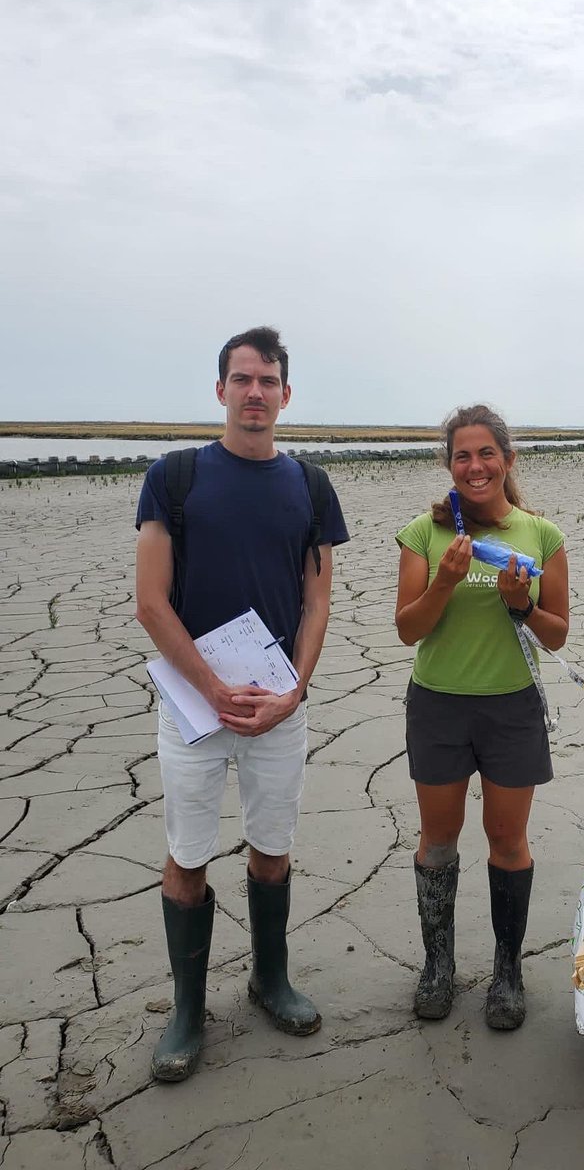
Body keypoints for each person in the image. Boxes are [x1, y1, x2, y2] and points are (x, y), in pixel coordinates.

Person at [135, 326, 349, 1081]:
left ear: (285, 395)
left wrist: (294, 690)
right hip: (194, 707)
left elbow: (317, 600)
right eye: (241, 379)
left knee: (272, 845)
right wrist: (211, 687)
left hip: (276, 709)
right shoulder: (176, 476)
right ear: (220, 390)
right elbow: (151, 603)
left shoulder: (311, 486)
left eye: (268, 381)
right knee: (188, 853)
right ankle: (188, 1012)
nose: (254, 393)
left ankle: (271, 979)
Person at [394, 404, 569, 1030]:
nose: (475, 466)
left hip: (511, 707)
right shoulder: (424, 533)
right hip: (438, 704)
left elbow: (558, 637)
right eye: (462, 456)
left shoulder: (540, 536)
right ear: (450, 465)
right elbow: (407, 629)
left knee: (507, 840)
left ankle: (507, 972)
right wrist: (444, 581)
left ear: (507, 460)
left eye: (486, 454)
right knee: (438, 840)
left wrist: (522, 604)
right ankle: (438, 967)